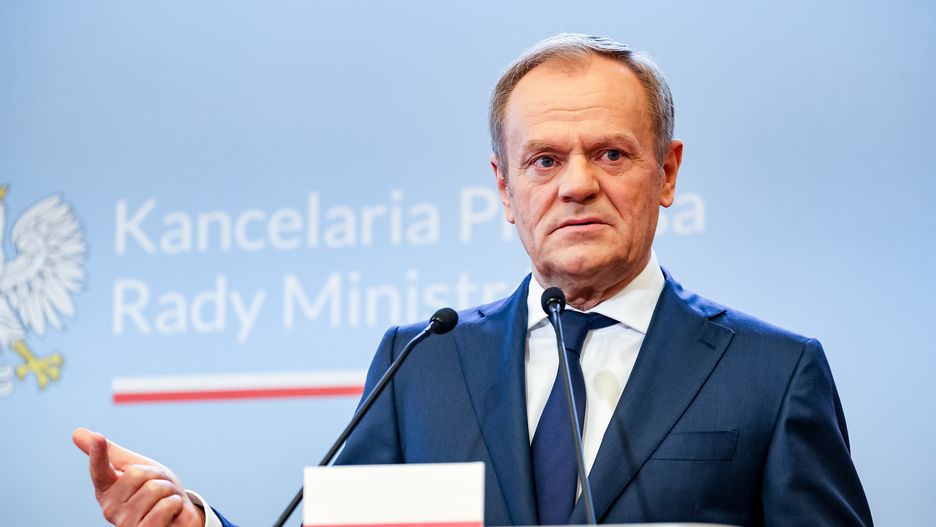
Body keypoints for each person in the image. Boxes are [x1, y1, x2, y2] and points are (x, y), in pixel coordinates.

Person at [73, 33, 873, 526]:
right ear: (504, 187)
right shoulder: (422, 362)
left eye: (611, 153)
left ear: (667, 172)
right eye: (545, 160)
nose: (578, 184)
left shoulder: (773, 373)